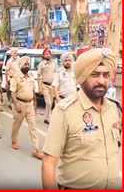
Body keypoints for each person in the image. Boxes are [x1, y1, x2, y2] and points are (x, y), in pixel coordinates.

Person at [42, 48, 121, 189]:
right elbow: (49, 162)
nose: (101, 81)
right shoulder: (64, 111)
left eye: (106, 75)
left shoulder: (115, 109)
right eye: (95, 74)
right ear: (83, 77)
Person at [10, 56, 44, 160]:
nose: (27, 66)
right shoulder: (16, 77)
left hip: (30, 105)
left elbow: (33, 91)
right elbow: (12, 92)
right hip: (20, 104)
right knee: (17, 125)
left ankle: (35, 149)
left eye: (28, 64)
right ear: (20, 65)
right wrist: (16, 105)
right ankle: (14, 141)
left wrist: (35, 103)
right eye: (25, 64)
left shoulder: (30, 77)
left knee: (33, 127)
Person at [37, 48, 56, 124]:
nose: (48, 55)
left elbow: (56, 74)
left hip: (51, 86)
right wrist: (39, 87)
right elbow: (38, 76)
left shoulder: (53, 64)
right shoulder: (41, 64)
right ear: (44, 55)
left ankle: (46, 118)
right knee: (48, 102)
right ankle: (49, 119)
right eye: (47, 54)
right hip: (44, 85)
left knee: (50, 103)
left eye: (49, 54)